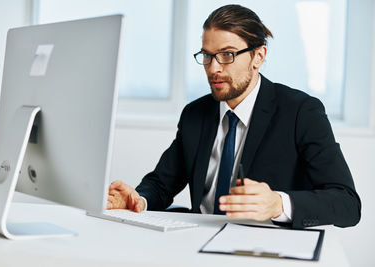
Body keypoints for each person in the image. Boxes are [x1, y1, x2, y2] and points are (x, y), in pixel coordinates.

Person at [106, 4, 361, 229]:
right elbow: (162, 183)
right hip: (195, 242)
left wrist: (278, 204)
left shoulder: (300, 112)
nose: (213, 68)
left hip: (263, 246)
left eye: (227, 55)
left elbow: (347, 203)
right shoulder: (195, 113)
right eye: (207, 56)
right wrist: (138, 199)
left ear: (258, 56)